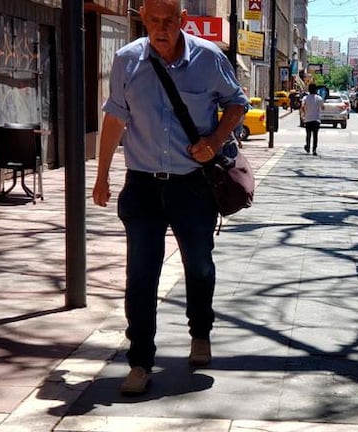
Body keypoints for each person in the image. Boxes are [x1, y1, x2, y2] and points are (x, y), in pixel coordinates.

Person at [92, 0, 247, 396]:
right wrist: (103, 175)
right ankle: (140, 360)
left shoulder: (209, 58)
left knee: (199, 266)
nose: (161, 29)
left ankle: (200, 330)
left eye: (168, 21)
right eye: (153, 21)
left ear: (182, 20)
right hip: (142, 184)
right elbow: (114, 118)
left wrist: (214, 142)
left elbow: (237, 104)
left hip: (192, 186)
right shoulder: (127, 61)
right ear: (142, 18)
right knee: (140, 277)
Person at [300, 83, 324, 156]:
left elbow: (302, 106)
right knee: (315, 135)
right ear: (316, 90)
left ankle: (307, 147)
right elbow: (323, 107)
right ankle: (314, 150)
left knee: (308, 135)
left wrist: (304, 113)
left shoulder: (305, 98)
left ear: (309, 90)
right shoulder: (319, 98)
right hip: (316, 119)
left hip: (308, 119)